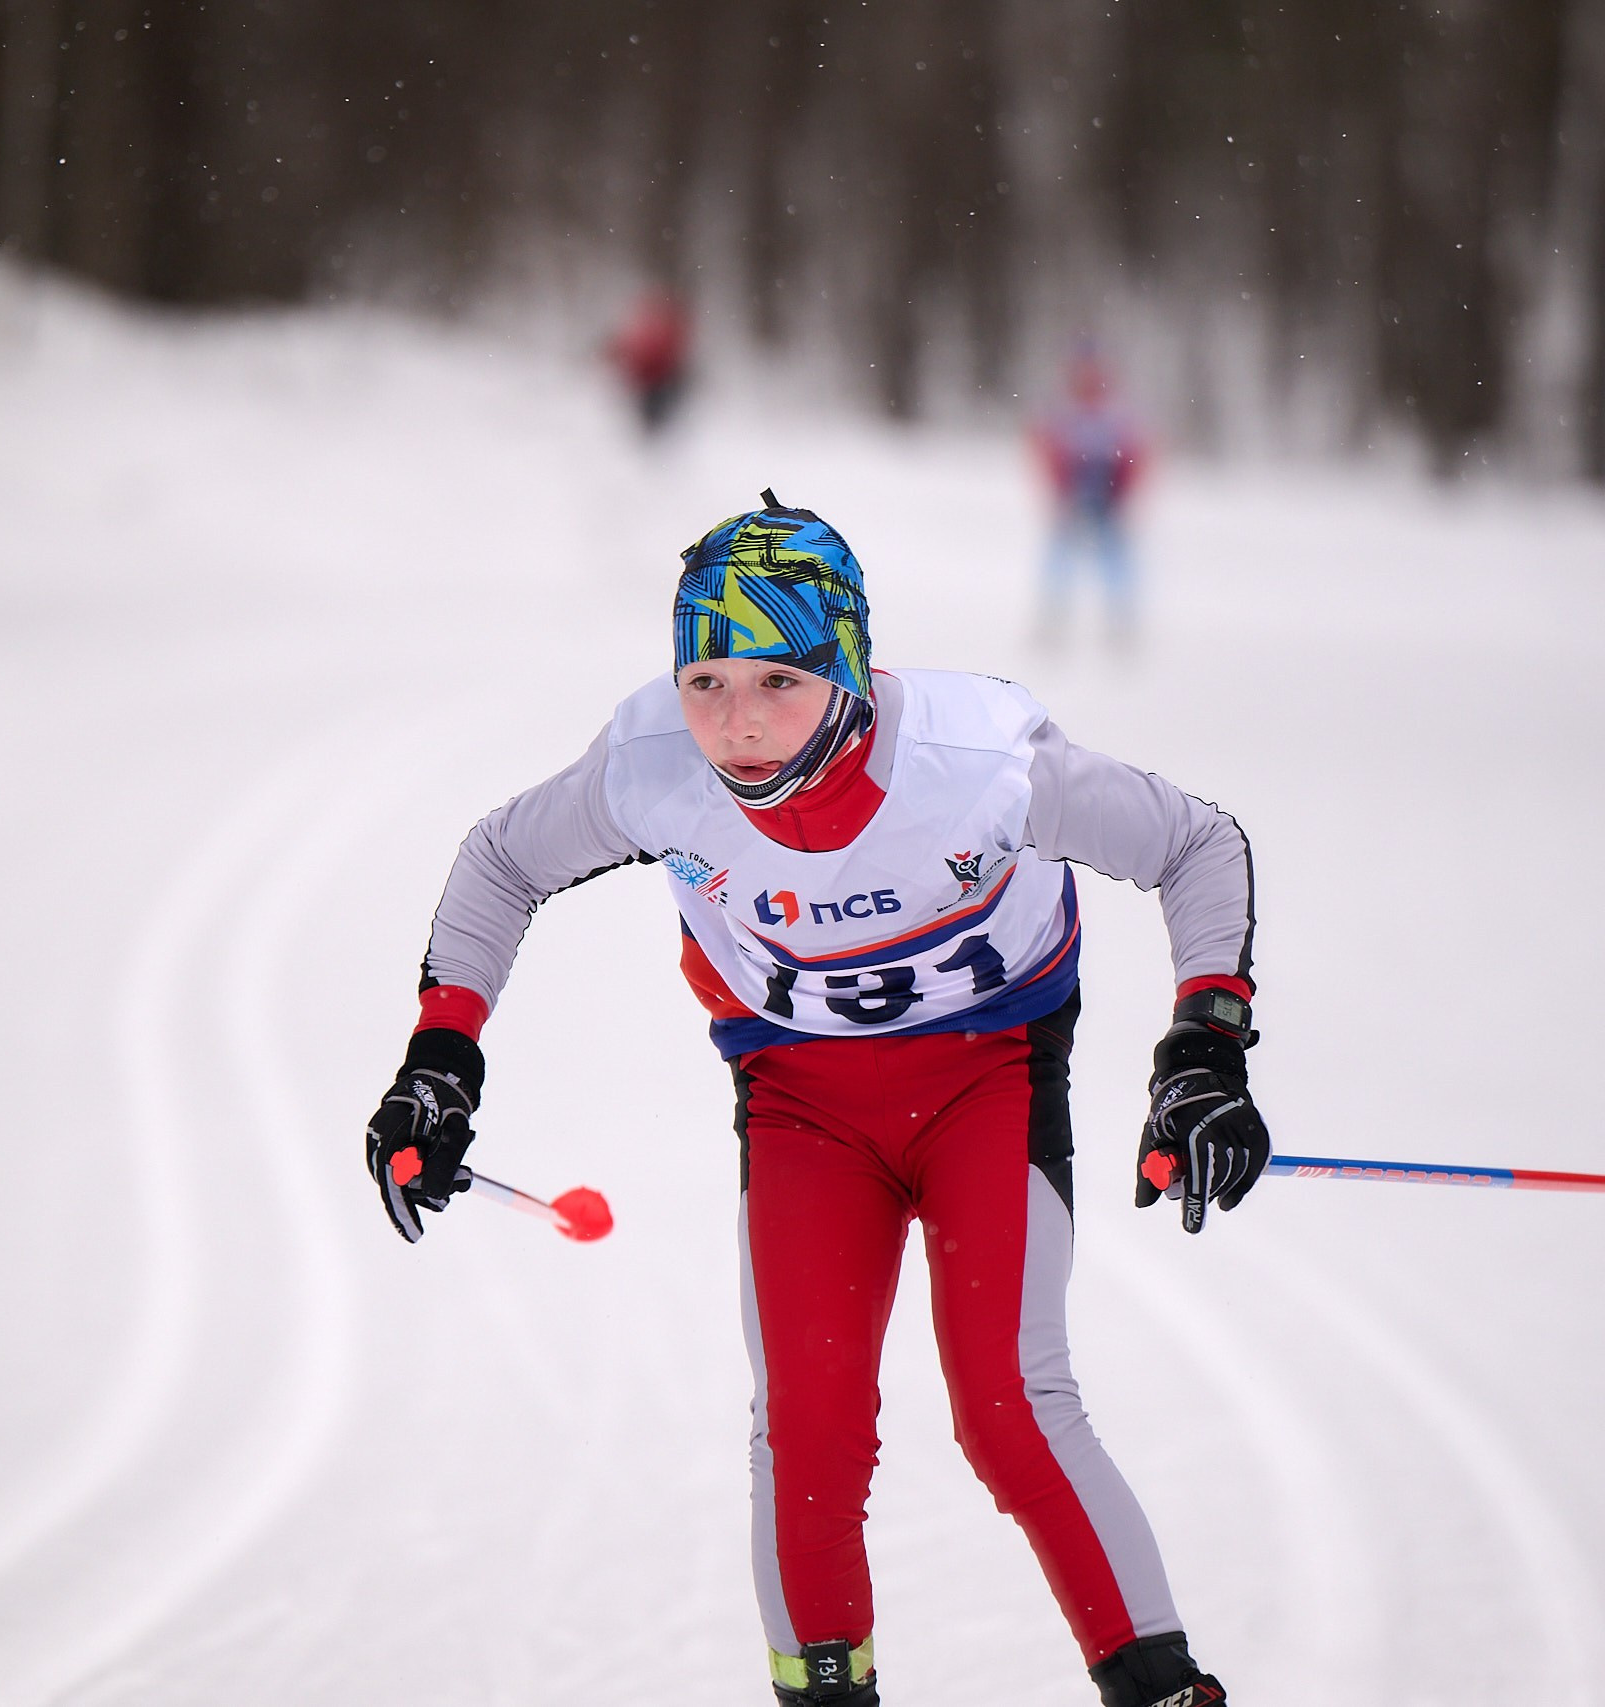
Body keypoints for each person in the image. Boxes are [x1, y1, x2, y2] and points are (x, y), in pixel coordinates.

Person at [364, 494, 1266, 1707]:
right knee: (807, 1430)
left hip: (985, 1077)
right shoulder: (648, 768)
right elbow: (502, 861)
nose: (733, 725)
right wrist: (441, 1058)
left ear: (844, 667)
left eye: (777, 682)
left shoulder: (977, 758)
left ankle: (1161, 1688)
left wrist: (1204, 1049)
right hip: (802, 1103)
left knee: (1009, 1406)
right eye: (704, 681)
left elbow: (1196, 845)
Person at [1029, 344, 1150, 643]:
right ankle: (1053, 618)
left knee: (1115, 563)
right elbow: (1047, 452)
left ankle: (1120, 621)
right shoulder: (1064, 414)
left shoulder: (1116, 416)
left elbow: (1136, 457)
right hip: (1074, 498)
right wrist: (1061, 491)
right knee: (1060, 561)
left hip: (1108, 499)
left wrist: (1121, 494)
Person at [606, 287, 692, 435]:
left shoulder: (657, 330)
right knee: (654, 414)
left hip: (659, 381)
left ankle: (656, 434)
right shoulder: (654, 330)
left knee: (657, 414)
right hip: (654, 382)